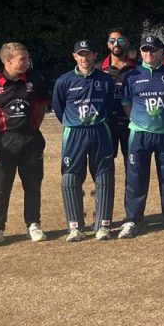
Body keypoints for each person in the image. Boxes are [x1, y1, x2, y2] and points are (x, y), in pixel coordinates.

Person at [0, 42, 52, 247]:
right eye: (23, 59)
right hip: (4, 142)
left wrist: (31, 129)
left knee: (33, 185)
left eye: (28, 58)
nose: (28, 62)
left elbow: (41, 107)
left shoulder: (35, 80)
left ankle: (33, 224)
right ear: (8, 61)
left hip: (31, 140)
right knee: (1, 187)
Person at [120, 35, 164, 238]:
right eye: (145, 50)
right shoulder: (131, 75)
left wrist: (162, 119)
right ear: (141, 52)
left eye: (153, 50)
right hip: (139, 134)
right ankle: (133, 219)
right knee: (136, 177)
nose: (148, 54)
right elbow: (126, 104)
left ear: (161, 52)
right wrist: (140, 122)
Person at [51, 40, 117, 241]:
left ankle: (103, 225)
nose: (84, 58)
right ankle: (75, 227)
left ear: (94, 55)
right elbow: (58, 108)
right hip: (75, 133)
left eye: (88, 54)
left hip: (99, 130)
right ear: (74, 57)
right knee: (70, 177)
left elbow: (109, 104)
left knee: (104, 176)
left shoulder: (105, 80)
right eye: (80, 54)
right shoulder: (64, 81)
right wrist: (74, 123)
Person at [101, 28, 138, 162]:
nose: (116, 43)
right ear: (108, 44)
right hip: (107, 124)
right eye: (112, 40)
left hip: (132, 124)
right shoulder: (99, 69)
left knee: (134, 165)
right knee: (105, 166)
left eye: (120, 40)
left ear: (127, 43)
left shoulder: (138, 69)